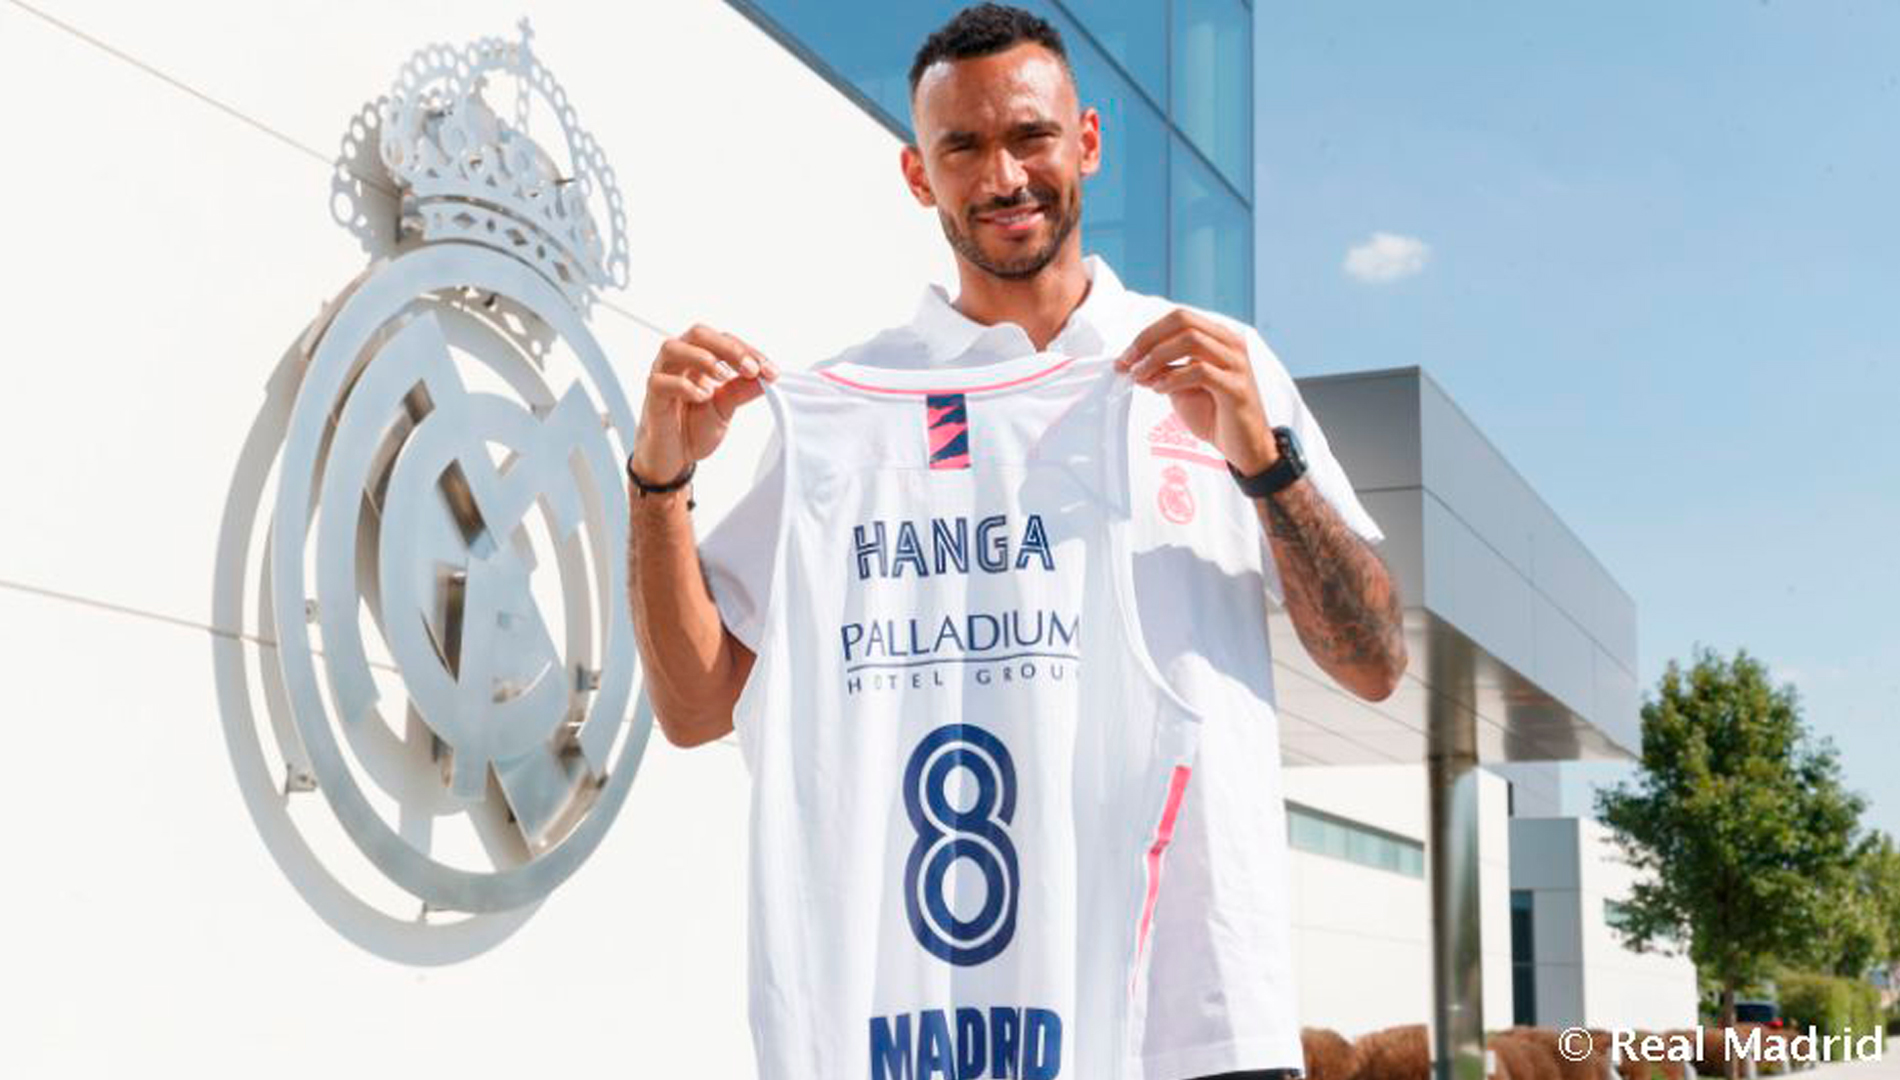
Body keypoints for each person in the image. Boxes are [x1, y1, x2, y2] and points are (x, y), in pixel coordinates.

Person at [623, 5, 1408, 1079]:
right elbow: (696, 708)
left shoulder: (1216, 367)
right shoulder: (858, 406)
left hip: (1206, 1011)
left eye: (1030, 136)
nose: (1003, 177)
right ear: (918, 174)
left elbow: (1374, 663)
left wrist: (1265, 462)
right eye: (964, 148)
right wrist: (658, 481)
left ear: (1086, 140)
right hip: (947, 1022)